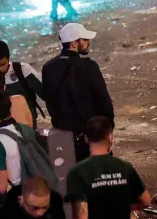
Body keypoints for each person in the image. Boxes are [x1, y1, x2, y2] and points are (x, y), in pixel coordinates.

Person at [67, 116, 151, 219]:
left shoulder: (77, 173)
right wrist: (123, 207)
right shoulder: (124, 167)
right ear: (110, 137)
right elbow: (146, 201)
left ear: (86, 139)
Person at [42, 23, 114, 162]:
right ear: (74, 43)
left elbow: (49, 99)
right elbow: (103, 101)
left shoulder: (48, 67)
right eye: (85, 39)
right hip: (91, 136)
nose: (89, 42)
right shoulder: (89, 66)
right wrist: (108, 128)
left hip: (62, 137)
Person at [0, 40, 44, 129]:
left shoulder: (23, 70)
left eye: (3, 64)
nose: (0, 69)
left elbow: (45, 94)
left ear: (8, 59)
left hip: (27, 127)